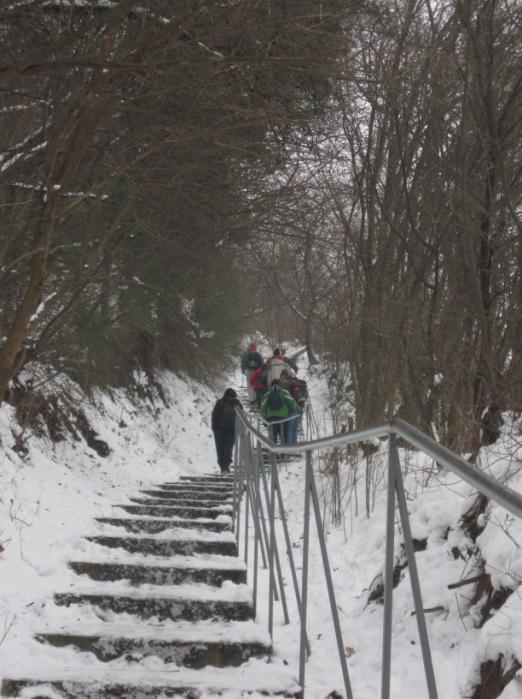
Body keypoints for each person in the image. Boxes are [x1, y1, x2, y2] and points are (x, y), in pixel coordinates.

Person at [261, 379, 302, 444]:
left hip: (271, 419)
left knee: (272, 437)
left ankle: (273, 452)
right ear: (280, 385)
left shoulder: (267, 394)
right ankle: (284, 451)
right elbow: (292, 403)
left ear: (271, 386)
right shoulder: (284, 392)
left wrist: (264, 421)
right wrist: (299, 410)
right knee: (283, 435)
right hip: (282, 418)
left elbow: (263, 408)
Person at [211, 388, 242, 473]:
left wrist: (214, 427)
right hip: (229, 429)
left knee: (222, 449)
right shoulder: (237, 404)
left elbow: (214, 415)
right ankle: (224, 467)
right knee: (226, 449)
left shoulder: (220, 403)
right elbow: (241, 418)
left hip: (223, 430)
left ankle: (224, 467)